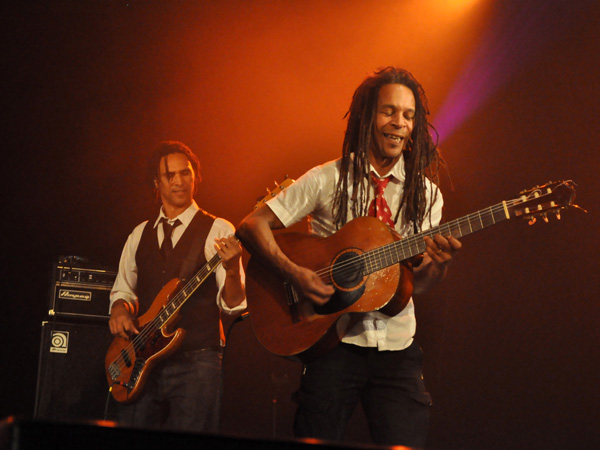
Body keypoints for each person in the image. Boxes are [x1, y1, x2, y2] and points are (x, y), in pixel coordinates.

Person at [236, 67, 461, 447]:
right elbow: (251, 225)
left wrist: (437, 266)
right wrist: (294, 274)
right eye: (389, 111)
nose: (399, 123)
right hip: (333, 342)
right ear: (368, 115)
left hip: (397, 345)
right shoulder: (328, 177)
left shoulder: (427, 195)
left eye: (408, 115)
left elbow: (416, 284)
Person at [109, 141, 246, 433]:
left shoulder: (218, 229)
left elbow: (233, 304)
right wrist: (120, 309)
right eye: (169, 175)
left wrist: (233, 269)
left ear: (195, 177)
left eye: (185, 173)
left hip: (198, 360)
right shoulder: (139, 233)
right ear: (156, 183)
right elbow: (123, 291)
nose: (179, 181)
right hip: (141, 359)